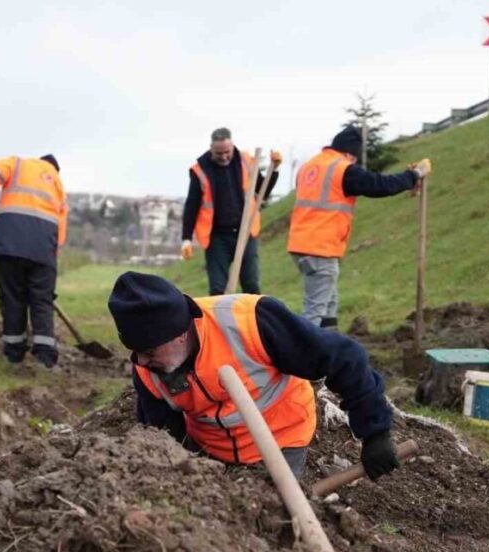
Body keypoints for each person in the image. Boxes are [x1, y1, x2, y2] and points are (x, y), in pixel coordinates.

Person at [107, 271, 400, 480]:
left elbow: (344, 358)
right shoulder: (147, 366)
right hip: (210, 450)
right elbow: (162, 434)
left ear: (178, 335)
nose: (141, 362)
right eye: (135, 352)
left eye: (148, 351)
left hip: (281, 439)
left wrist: (375, 432)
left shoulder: (252, 321)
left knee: (275, 518)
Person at [288, 126, 431, 329]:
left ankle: (331, 348)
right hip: (320, 247)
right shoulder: (342, 168)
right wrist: (414, 175)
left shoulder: (310, 166)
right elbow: (379, 185)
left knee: (329, 303)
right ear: (349, 153)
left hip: (301, 244)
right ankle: (297, 356)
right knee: (315, 311)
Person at [0, 154, 68, 368]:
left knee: (12, 298)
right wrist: (51, 258)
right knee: (41, 301)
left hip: (9, 246)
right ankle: (44, 357)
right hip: (43, 252)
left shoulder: (18, 164)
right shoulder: (57, 183)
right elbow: (61, 229)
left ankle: (15, 355)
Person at [180, 127, 281, 295]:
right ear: (211, 148)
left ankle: (251, 320)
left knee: (251, 285)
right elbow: (192, 205)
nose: (224, 156)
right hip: (217, 237)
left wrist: (275, 168)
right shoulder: (200, 170)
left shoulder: (245, 161)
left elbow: (264, 190)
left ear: (232, 145)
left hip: (246, 232)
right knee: (217, 288)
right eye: (219, 153)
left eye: (227, 151)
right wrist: (186, 239)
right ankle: (218, 321)